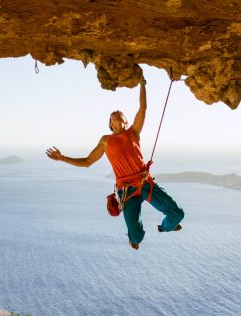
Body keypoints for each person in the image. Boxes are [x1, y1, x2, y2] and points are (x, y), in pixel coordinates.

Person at [46, 79, 184, 250]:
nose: (117, 112)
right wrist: (63, 158)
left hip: (145, 183)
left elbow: (143, 108)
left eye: (120, 112)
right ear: (111, 124)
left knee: (177, 214)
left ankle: (165, 227)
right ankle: (134, 237)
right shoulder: (106, 141)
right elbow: (88, 161)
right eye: (114, 114)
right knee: (137, 237)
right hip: (127, 191)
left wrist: (142, 83)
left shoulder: (133, 132)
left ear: (125, 120)